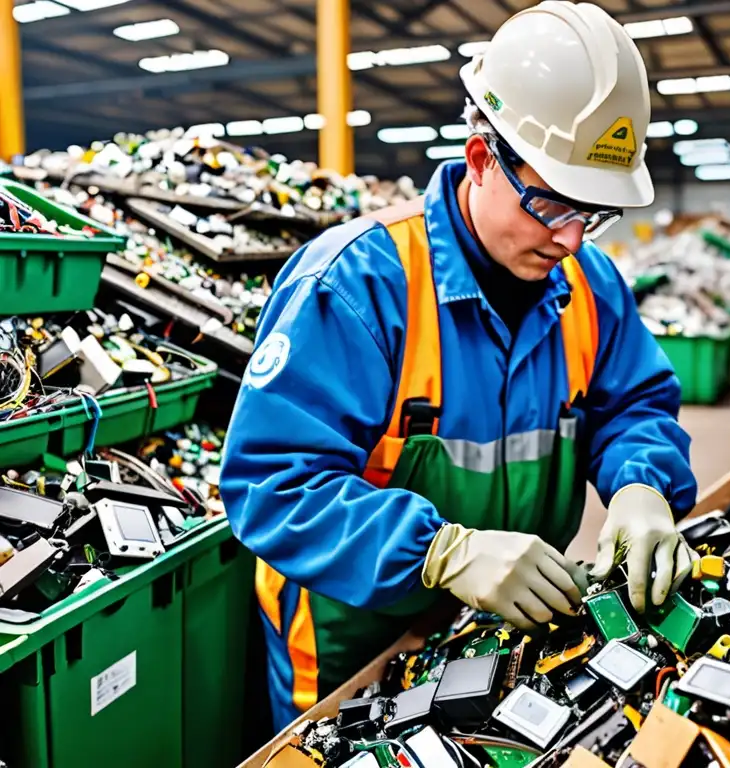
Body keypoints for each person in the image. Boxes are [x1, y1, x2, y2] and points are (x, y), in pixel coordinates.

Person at [221, 0, 699, 731]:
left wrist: (641, 485)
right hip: (355, 641)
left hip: (509, 630)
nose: (571, 238)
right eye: (551, 204)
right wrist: (441, 551)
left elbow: (633, 404)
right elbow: (273, 482)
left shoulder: (591, 286)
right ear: (482, 159)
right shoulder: (358, 286)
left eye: (593, 214)